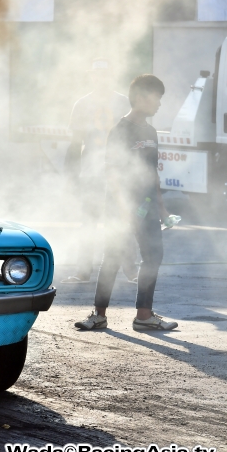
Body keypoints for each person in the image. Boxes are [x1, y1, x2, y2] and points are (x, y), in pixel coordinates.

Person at [75, 74, 178, 331]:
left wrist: (163, 209)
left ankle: (143, 316)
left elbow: (152, 172)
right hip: (120, 206)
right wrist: (123, 209)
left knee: (153, 255)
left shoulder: (151, 131)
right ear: (141, 98)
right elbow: (113, 172)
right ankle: (98, 315)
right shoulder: (120, 130)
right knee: (112, 257)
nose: (159, 104)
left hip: (147, 206)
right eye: (156, 98)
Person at [62, 58, 138, 284]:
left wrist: (135, 171)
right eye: (97, 75)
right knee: (89, 221)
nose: (101, 79)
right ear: (91, 76)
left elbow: (134, 139)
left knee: (122, 221)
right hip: (92, 171)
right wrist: (71, 174)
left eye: (105, 75)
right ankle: (83, 271)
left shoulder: (125, 103)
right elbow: (75, 142)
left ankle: (132, 271)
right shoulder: (82, 104)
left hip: (119, 172)